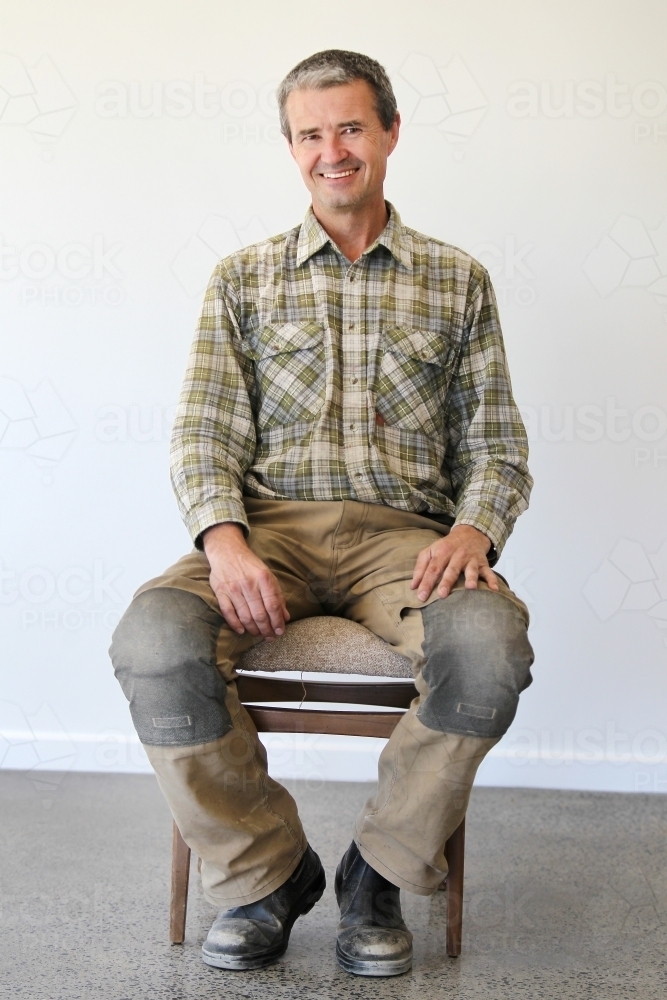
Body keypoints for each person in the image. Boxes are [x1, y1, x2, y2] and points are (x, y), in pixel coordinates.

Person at [110, 48, 534, 978]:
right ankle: (266, 874)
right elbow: (201, 436)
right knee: (152, 640)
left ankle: (375, 874)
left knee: (492, 647)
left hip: (407, 542)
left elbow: (497, 442)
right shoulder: (243, 279)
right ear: (290, 147)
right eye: (309, 133)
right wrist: (224, 543)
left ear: (388, 132)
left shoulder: (456, 280)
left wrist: (473, 532)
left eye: (349, 126)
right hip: (269, 531)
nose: (331, 150)